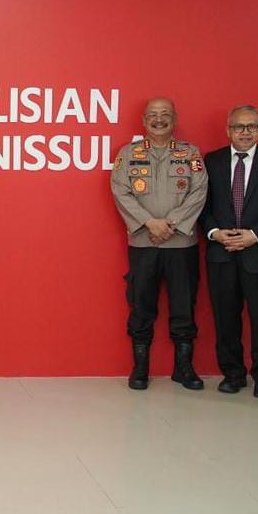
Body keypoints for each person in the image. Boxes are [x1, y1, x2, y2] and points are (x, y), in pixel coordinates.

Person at [109, 98, 207, 391]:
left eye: (165, 114)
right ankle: (140, 368)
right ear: (144, 120)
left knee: (184, 306)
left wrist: (171, 224)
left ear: (174, 119)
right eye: (153, 114)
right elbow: (120, 191)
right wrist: (149, 223)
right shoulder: (128, 153)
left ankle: (184, 368)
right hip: (143, 242)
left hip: (182, 244)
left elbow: (199, 192)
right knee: (141, 305)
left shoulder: (190, 153)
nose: (159, 119)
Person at [201, 105, 258, 398]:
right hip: (222, 251)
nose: (245, 132)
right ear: (228, 130)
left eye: (251, 126)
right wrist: (215, 232)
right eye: (239, 126)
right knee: (225, 317)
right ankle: (233, 374)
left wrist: (255, 235)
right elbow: (201, 203)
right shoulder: (211, 160)